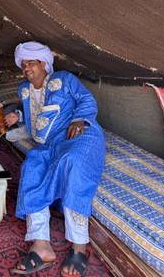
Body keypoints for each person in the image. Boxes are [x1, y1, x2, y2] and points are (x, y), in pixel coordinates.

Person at [6, 42, 105, 276]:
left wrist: (79, 119)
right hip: (50, 144)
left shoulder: (64, 79)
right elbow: (36, 114)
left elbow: (87, 99)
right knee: (31, 165)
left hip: (79, 134)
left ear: (44, 64)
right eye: (23, 64)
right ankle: (41, 246)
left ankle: (79, 247)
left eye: (31, 63)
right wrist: (18, 114)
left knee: (72, 162)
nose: (26, 68)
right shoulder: (26, 90)